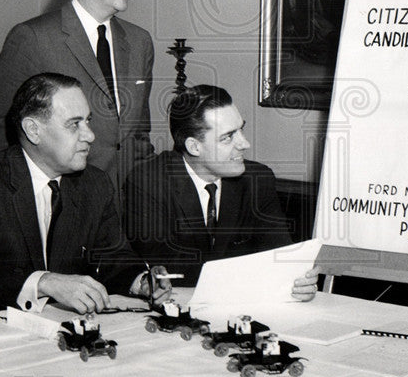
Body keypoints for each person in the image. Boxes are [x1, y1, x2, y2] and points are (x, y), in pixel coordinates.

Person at [0, 73, 166, 314]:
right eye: (74, 124)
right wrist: (46, 282)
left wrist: (142, 281)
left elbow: (112, 256)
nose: (90, 135)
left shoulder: (95, 183)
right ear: (33, 130)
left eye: (88, 121)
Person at [0, 0, 154, 199]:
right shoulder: (32, 38)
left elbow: (139, 135)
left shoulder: (140, 42)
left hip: (123, 209)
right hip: (59, 205)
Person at [124, 84, 318, 299]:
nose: (244, 144)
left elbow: (279, 257)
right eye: (228, 137)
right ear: (194, 147)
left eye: (241, 129)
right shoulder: (148, 182)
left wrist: (299, 281)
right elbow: (170, 275)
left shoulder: (257, 179)